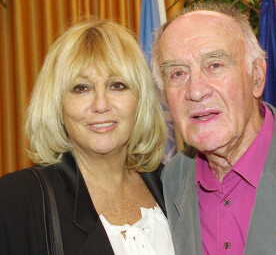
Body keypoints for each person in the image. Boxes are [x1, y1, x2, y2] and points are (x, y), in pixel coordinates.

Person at [0, 19, 175, 255]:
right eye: (81, 88)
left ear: (140, 101)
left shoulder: (173, 187)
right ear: (57, 106)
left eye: (117, 85)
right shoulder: (15, 200)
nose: (101, 104)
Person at [151, 2, 276, 255]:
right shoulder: (171, 180)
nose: (196, 91)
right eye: (177, 73)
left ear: (256, 77)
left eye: (215, 65)